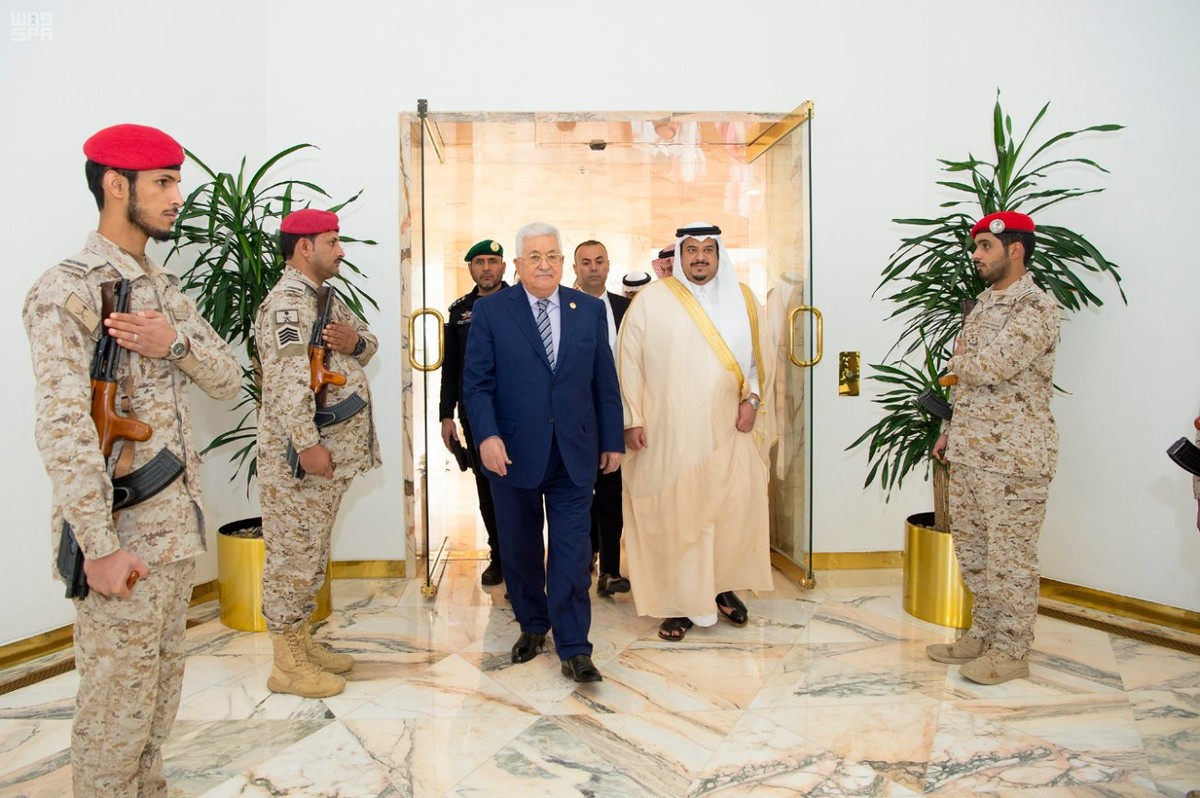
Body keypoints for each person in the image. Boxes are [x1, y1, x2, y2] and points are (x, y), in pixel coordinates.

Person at [23, 123, 241, 797]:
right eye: (163, 183)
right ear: (117, 186)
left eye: (177, 181)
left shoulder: (164, 288)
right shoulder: (68, 289)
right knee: (114, 714)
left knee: (157, 703)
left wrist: (172, 343)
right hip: (120, 538)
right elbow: (62, 427)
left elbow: (228, 379)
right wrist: (98, 546)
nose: (178, 197)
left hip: (174, 535)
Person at [462, 222, 624, 682]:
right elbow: (477, 384)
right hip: (511, 452)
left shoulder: (587, 310)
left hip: (575, 451)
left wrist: (612, 439)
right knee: (520, 548)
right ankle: (533, 625)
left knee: (572, 552)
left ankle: (575, 646)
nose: (544, 264)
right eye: (534, 256)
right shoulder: (492, 310)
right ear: (517, 264)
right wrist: (487, 437)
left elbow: (604, 381)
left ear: (562, 262)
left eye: (552, 255)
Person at [617, 222, 774, 642]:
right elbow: (627, 363)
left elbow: (759, 363)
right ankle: (680, 603)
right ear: (680, 255)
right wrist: (633, 419)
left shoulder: (743, 299)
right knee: (679, 518)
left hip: (729, 430)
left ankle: (721, 589)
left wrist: (753, 401)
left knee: (729, 513)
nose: (700, 257)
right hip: (670, 435)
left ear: (719, 255)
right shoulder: (651, 301)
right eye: (691, 250)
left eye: (708, 249)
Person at [928, 211, 1059, 685]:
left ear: (1015, 249)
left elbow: (991, 366)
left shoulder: (1037, 307)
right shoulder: (984, 304)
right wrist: (951, 427)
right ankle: (983, 635)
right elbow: (966, 376)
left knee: (1011, 562)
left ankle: (1012, 650)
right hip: (970, 451)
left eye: (985, 246)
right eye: (976, 247)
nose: (976, 255)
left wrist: (961, 363)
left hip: (1015, 460)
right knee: (976, 555)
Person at [255, 208, 381, 698]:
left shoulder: (324, 297)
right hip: (302, 460)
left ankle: (301, 642)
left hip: (331, 455)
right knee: (293, 557)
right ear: (305, 247)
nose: (341, 250)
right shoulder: (287, 307)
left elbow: (368, 343)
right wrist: (307, 445)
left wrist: (355, 340)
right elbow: (287, 383)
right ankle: (286, 664)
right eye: (332, 242)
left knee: (310, 552)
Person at [440, 239, 509, 585]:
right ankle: (499, 555)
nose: (486, 268)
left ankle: (522, 556)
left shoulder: (520, 302)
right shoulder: (460, 311)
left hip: (516, 412)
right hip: (476, 414)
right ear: (470, 268)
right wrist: (446, 415)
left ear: (503, 267)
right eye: (479, 262)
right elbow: (451, 366)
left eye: (492, 261)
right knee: (487, 487)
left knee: (521, 487)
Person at [573, 239, 631, 597]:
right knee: (579, 494)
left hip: (618, 416)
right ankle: (584, 558)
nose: (593, 268)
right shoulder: (565, 307)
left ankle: (610, 569)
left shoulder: (628, 309)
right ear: (575, 269)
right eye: (586, 262)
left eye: (599, 261)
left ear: (608, 265)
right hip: (577, 419)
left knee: (612, 493)